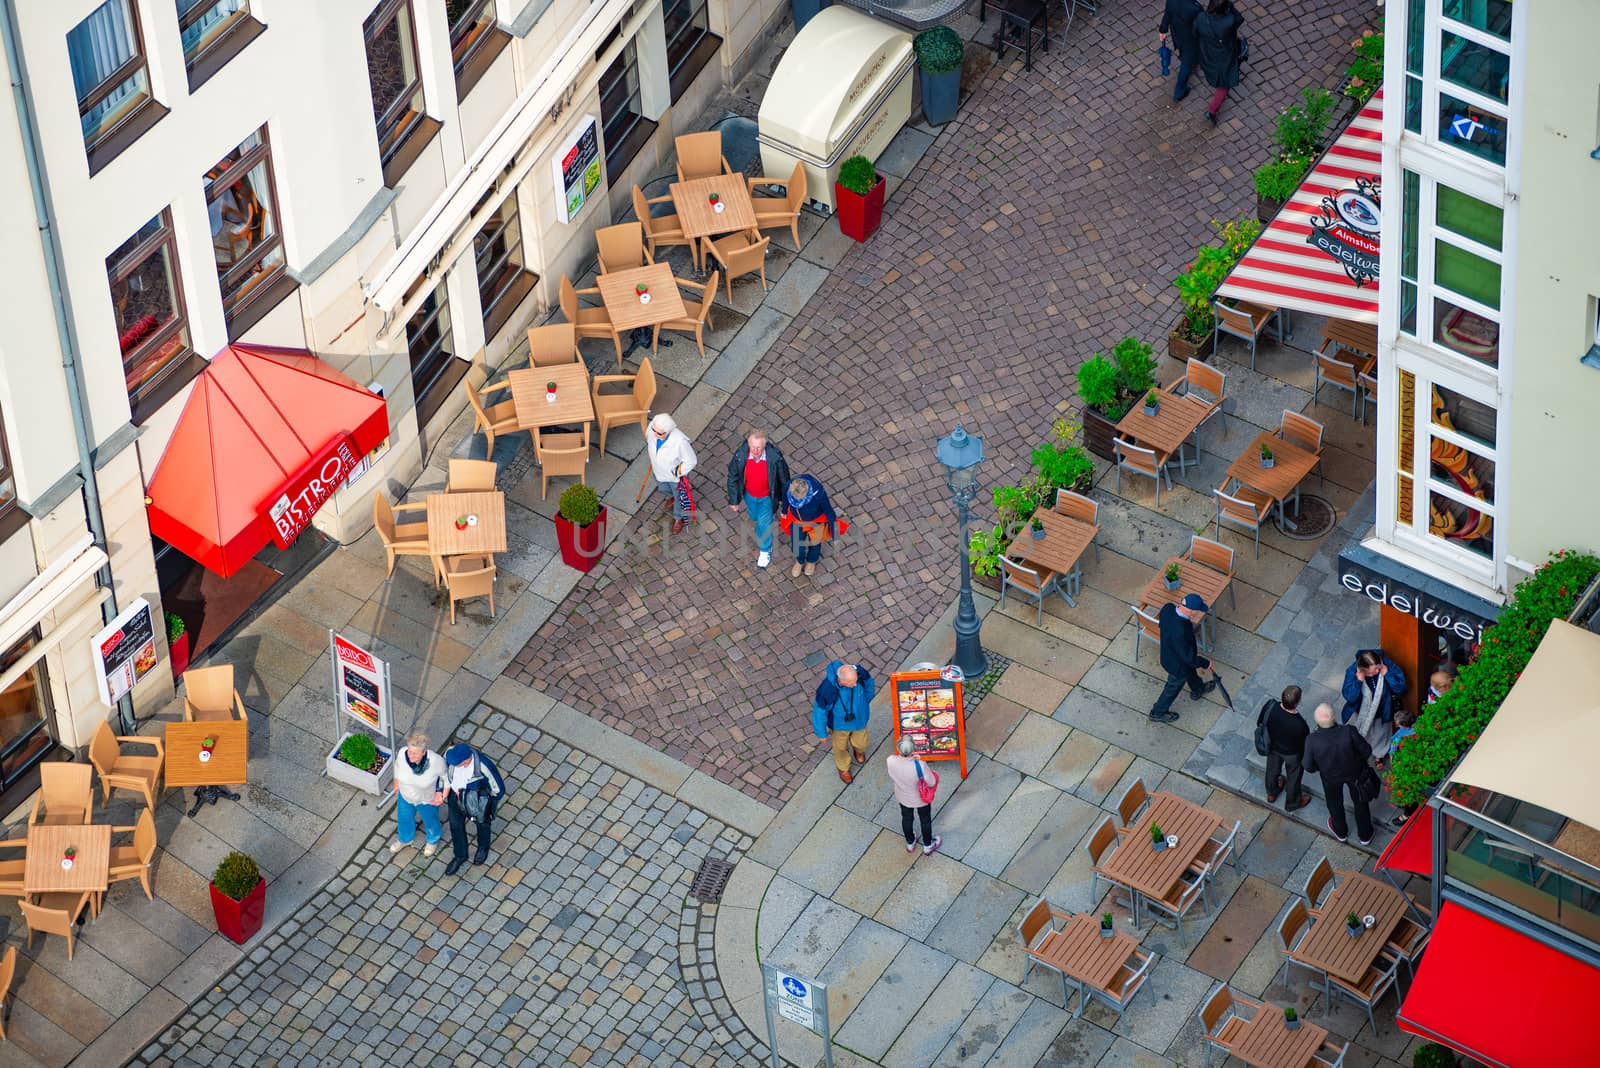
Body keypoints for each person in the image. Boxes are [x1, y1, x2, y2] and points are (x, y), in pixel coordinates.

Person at [1303, 703, 1374, 845]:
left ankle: (1341, 832)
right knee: (1360, 802)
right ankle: (1365, 835)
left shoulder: (1312, 740)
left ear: (1317, 722)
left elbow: (1308, 766)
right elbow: (1366, 750)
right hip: (1355, 774)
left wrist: (1321, 767)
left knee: (1334, 803)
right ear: (1334, 717)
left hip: (1330, 777)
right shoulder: (1349, 731)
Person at [725, 429, 791, 571]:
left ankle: (765, 549)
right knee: (753, 516)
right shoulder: (740, 456)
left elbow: (785, 481)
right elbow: (732, 477)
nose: (755, 450)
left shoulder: (774, 458)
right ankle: (764, 519)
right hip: (749, 495)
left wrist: (784, 503)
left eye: (758, 447)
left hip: (767, 498)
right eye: (753, 447)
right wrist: (734, 500)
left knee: (763, 525)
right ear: (748, 445)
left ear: (764, 446)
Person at [1149, 593, 1215, 723]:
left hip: (1171, 654)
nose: (1197, 613)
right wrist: (1205, 663)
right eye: (1197, 611)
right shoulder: (1180, 631)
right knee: (1173, 687)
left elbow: (1163, 624)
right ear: (1191, 611)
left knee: (1190, 671)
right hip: (1176, 665)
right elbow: (1188, 657)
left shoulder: (1168, 608)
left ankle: (1198, 688)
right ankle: (1158, 712)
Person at [442, 742, 506, 875]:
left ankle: (483, 848)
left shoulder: (483, 766)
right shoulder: (450, 755)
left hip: (476, 800)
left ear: (466, 760)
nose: (453, 764)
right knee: (455, 826)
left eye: (457, 763)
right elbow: (444, 773)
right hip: (456, 797)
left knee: (482, 824)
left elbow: (498, 790)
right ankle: (460, 855)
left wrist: (485, 803)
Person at [810, 659, 874, 784]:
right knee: (840, 748)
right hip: (839, 725)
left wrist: (865, 702)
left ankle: (859, 751)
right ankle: (843, 768)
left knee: (862, 742)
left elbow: (869, 683)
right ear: (841, 681)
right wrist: (821, 733)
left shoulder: (859, 673)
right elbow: (819, 712)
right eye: (852, 683)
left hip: (859, 719)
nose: (855, 685)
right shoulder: (826, 690)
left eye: (856, 681)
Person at [1340, 648, 1407, 759]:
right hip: (1360, 711)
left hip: (1383, 710)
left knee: (1382, 735)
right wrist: (1358, 681)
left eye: (1377, 668)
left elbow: (1401, 689)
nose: (1376, 672)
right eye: (1370, 672)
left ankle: (1379, 754)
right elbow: (1350, 697)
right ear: (1362, 670)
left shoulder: (1387, 665)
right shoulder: (1352, 671)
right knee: (1361, 734)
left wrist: (1387, 674)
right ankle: (1362, 750)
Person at [391, 732, 446, 858]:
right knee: (404, 819)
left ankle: (433, 840)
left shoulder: (436, 761)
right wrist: (396, 781)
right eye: (409, 751)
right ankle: (405, 839)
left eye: (415, 753)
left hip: (426, 799)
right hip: (405, 796)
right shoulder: (402, 753)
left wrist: (440, 793)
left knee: (430, 821)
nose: (410, 755)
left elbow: (445, 777)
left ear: (424, 752)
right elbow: (397, 767)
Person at [886, 736, 942, 856]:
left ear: (898, 748)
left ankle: (910, 842)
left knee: (906, 818)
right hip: (920, 799)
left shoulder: (890, 760)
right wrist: (918, 761)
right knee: (925, 820)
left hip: (902, 797)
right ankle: (928, 845)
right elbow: (931, 782)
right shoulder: (920, 765)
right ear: (913, 749)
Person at [1194, 0, 1244, 126]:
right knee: (1224, 85)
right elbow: (1239, 19)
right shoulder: (1229, 21)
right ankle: (1211, 111)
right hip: (1224, 57)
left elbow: (1195, 32)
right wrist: (1231, 6)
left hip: (1207, 54)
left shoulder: (1201, 18)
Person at [1261, 685, 1311, 811]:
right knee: (1293, 777)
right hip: (1292, 754)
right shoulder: (1299, 724)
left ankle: (1272, 793)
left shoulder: (1271, 707)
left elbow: (1261, 722)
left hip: (1273, 747)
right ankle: (1292, 803)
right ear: (1298, 702)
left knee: (1272, 770)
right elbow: (1305, 742)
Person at [647, 413, 698, 535]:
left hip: (675, 478)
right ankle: (673, 498)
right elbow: (648, 437)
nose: (655, 434)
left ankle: (678, 518)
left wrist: (677, 472)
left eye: (659, 433)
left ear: (668, 431)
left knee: (679, 498)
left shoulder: (680, 442)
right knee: (662, 488)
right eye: (654, 430)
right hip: (658, 471)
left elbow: (691, 461)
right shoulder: (652, 429)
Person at [780, 475, 838, 579]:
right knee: (796, 545)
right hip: (797, 520)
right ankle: (799, 561)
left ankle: (811, 561)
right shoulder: (789, 486)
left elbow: (829, 512)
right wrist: (784, 510)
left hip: (815, 521)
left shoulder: (818, 494)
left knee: (815, 543)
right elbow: (785, 498)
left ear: (806, 492)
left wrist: (835, 534)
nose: (796, 500)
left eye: (799, 498)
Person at [1158, 0, 1202, 101]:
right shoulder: (1195, 8)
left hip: (1178, 36)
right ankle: (1179, 92)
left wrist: (1163, 29)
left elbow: (1168, 13)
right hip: (1191, 41)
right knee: (1186, 64)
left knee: (1185, 55)